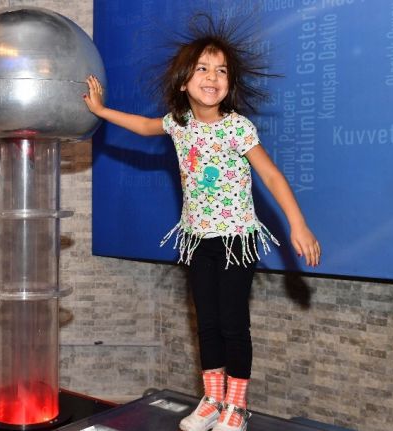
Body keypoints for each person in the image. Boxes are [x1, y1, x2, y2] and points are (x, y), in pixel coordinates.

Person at [83, 15, 321, 431]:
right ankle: (212, 399)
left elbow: (271, 176)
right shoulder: (179, 124)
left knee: (233, 324)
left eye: (222, 70)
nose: (213, 77)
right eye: (203, 69)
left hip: (235, 242)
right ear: (183, 82)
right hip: (197, 239)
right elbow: (144, 126)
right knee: (206, 322)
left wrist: (297, 224)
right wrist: (100, 110)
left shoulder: (237, 128)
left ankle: (236, 406)